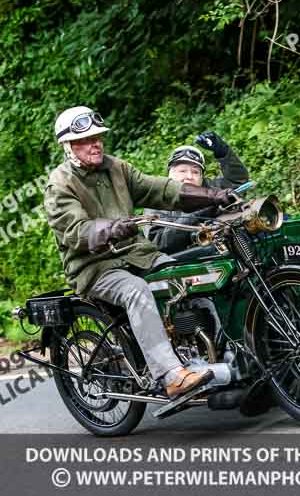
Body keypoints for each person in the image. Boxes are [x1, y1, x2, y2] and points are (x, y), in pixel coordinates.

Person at [44, 106, 237, 399]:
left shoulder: (116, 168)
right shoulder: (60, 184)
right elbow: (75, 231)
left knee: (190, 276)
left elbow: (159, 189)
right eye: (85, 140)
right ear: (68, 146)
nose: (95, 144)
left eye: (97, 137)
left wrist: (213, 195)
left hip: (137, 254)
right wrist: (110, 228)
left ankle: (214, 355)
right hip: (94, 266)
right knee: (136, 291)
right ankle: (172, 376)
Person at [144, 131, 249, 254]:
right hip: (189, 262)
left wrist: (224, 152)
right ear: (170, 175)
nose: (189, 176)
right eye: (182, 171)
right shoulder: (157, 200)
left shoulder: (210, 187)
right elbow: (158, 241)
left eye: (195, 172)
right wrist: (203, 209)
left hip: (232, 246)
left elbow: (238, 180)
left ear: (202, 177)